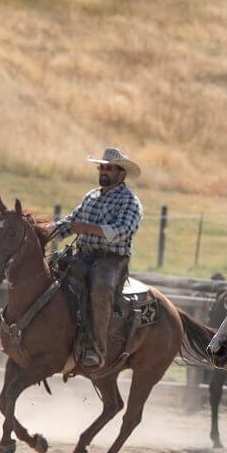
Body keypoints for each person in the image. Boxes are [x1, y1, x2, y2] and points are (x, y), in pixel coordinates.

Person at [50, 147, 143, 368]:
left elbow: (123, 229)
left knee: (101, 290)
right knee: (50, 273)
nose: (103, 171)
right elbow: (71, 222)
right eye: (102, 167)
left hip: (111, 261)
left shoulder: (129, 201)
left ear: (121, 174)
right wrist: (47, 231)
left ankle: (96, 348)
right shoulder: (91, 196)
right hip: (83, 256)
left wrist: (89, 229)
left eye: (109, 168)